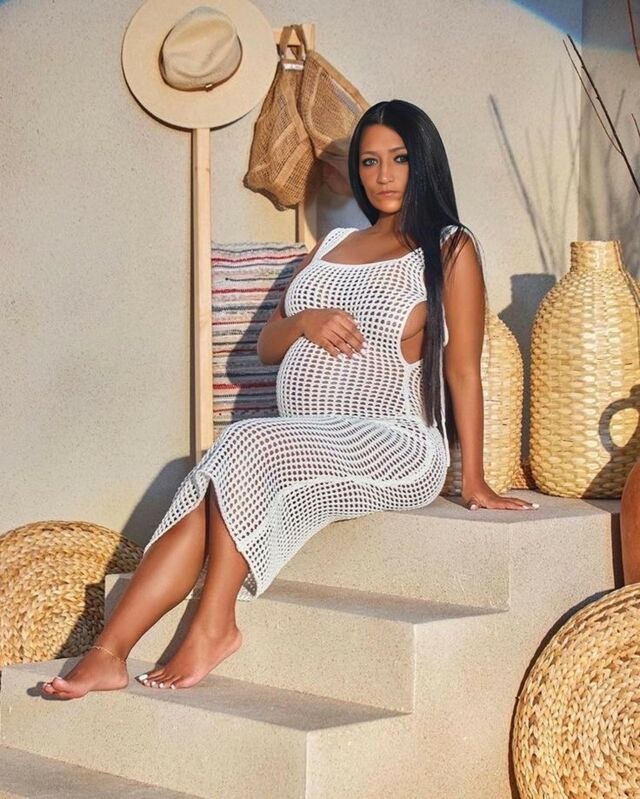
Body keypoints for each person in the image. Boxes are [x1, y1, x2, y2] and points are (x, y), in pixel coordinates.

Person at [42, 98, 537, 700]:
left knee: (244, 440)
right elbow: (268, 345)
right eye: (370, 161)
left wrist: (474, 481)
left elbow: (462, 369)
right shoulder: (333, 244)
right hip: (306, 435)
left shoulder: (449, 248)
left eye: (400, 159)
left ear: (424, 162)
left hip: (394, 441)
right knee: (208, 490)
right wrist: (306, 320)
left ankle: (214, 624)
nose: (383, 175)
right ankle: (107, 655)